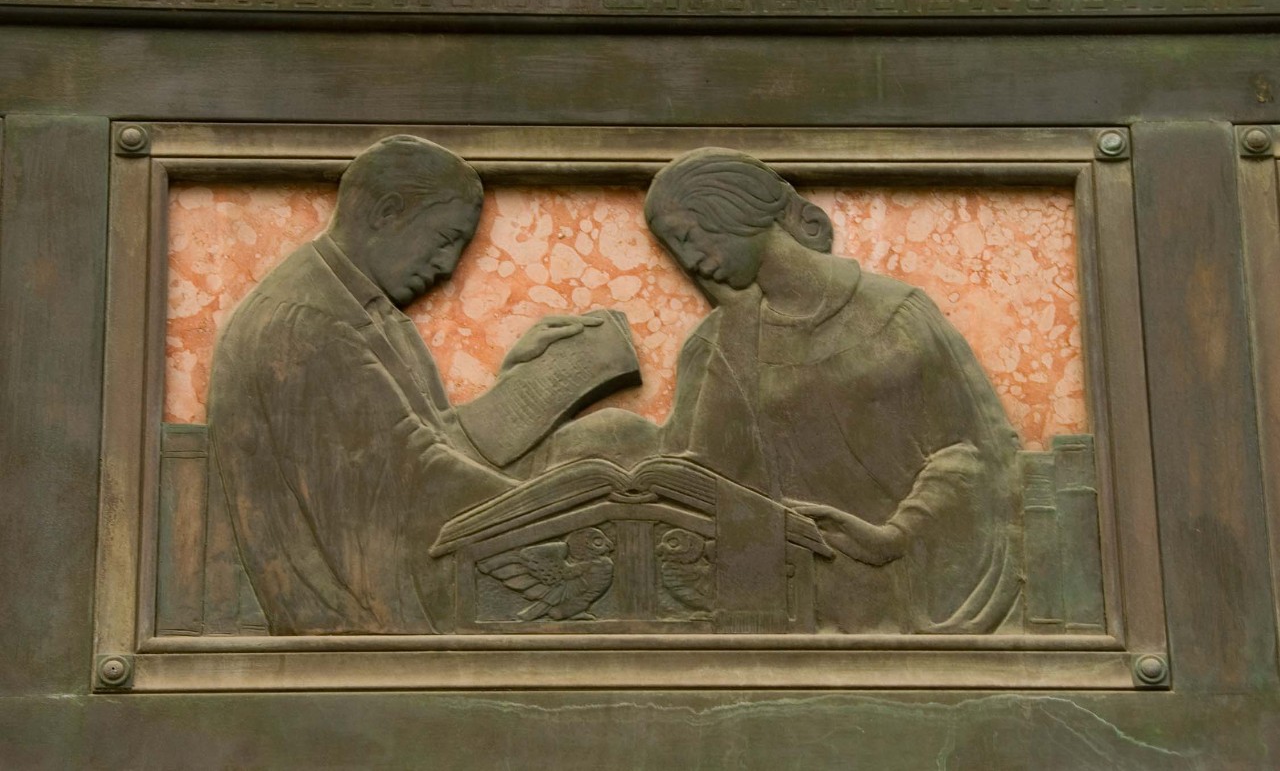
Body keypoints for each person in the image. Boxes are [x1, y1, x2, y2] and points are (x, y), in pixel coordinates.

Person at [208, 135, 595, 635]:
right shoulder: (307, 323)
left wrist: (519, 377)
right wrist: (569, 515)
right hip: (356, 624)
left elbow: (429, 441)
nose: (447, 267)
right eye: (445, 239)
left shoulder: (369, 308)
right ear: (387, 212)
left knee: (608, 435)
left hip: (402, 594)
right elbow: (413, 475)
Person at [641, 147, 1024, 634]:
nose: (689, 262)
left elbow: (971, 451)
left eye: (687, 238)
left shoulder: (896, 315)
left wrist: (894, 535)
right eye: (673, 250)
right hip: (771, 605)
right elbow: (700, 481)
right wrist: (737, 326)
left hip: (905, 592)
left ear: (732, 213)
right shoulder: (714, 342)